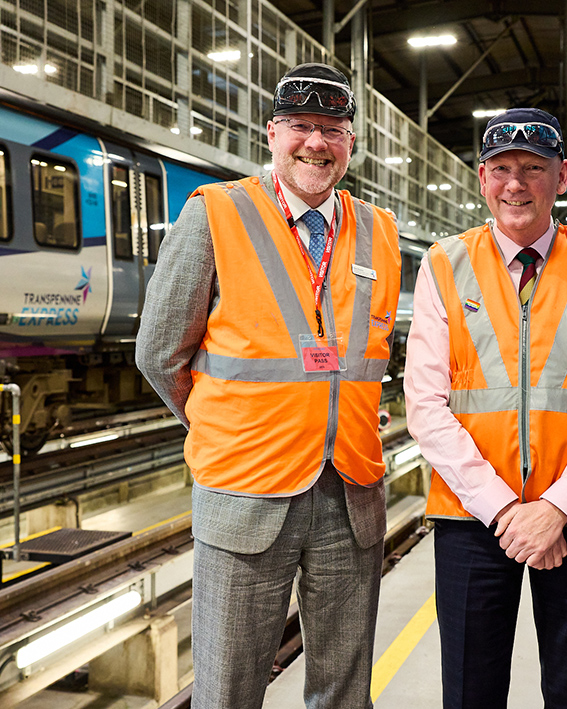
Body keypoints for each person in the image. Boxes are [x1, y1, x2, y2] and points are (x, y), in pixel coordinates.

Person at [136, 63, 401, 709]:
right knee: (229, 690)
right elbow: (159, 352)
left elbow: (368, 356)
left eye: (332, 130)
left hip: (351, 494)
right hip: (244, 491)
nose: (316, 142)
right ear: (272, 133)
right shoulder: (215, 213)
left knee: (344, 693)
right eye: (301, 126)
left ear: (350, 143)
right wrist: (225, 424)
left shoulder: (380, 229)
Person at [403, 107, 567, 709]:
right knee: (471, 694)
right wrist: (506, 509)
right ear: (482, 179)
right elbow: (426, 405)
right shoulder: (444, 263)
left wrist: (557, 507)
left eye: (533, 169)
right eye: (502, 169)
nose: (516, 184)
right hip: (474, 518)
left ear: (561, 176)